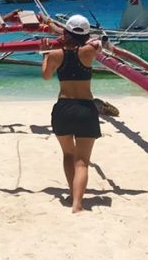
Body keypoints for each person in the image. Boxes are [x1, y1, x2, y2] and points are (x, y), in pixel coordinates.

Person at [39, 14, 103, 213]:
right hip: (86, 108)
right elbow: (96, 41)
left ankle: (71, 192)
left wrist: (45, 53)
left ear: (67, 32)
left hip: (64, 108)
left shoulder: (56, 54)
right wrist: (63, 33)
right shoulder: (89, 50)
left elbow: (46, 76)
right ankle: (77, 204)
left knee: (68, 154)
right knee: (82, 161)